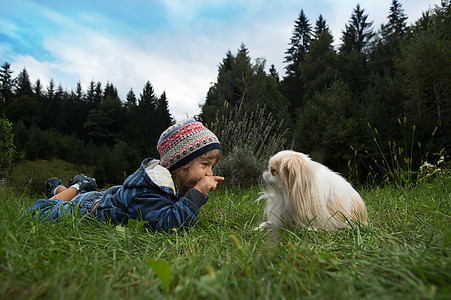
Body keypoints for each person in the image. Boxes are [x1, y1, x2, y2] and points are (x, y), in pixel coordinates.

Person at [24, 118, 224, 233]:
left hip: (106, 198)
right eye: (205, 165)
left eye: (212, 167)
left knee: (83, 192)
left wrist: (195, 193)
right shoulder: (152, 188)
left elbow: (177, 206)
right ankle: (76, 187)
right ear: (180, 165)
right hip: (87, 209)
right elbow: (168, 225)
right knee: (37, 212)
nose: (209, 173)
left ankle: (79, 186)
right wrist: (197, 193)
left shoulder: (172, 183)